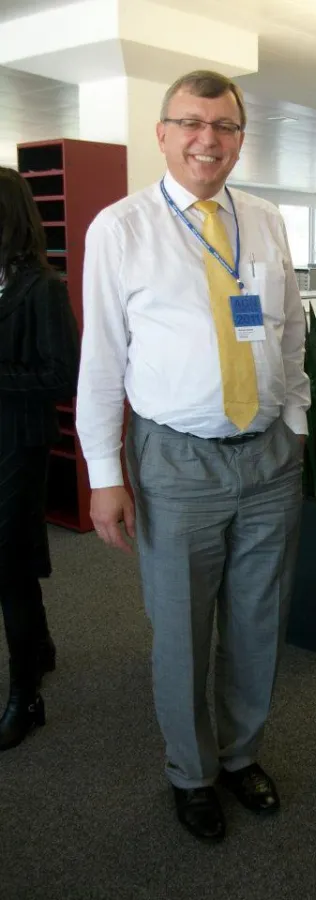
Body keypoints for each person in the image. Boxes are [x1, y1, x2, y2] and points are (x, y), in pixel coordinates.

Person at [76, 70, 309, 843]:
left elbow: (288, 335)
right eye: (191, 123)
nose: (208, 139)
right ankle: (192, 772)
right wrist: (105, 476)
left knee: (257, 622)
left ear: (241, 137)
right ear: (163, 134)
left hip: (270, 456)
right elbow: (102, 361)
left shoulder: (268, 220)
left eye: (225, 126)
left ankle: (240, 756)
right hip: (176, 463)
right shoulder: (121, 227)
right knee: (180, 631)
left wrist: (298, 421)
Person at [0, 167, 79, 751]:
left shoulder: (42, 288)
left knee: (10, 569)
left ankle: (25, 695)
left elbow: (61, 375)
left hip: (18, 446)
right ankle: (43, 648)